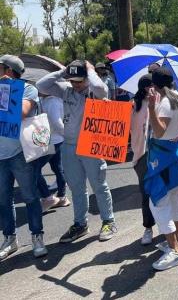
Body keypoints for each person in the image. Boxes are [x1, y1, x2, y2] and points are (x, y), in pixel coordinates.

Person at [37, 60, 117, 243]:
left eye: (79, 80)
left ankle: (108, 221)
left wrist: (89, 71)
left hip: (91, 144)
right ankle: (80, 224)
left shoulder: (95, 91)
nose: (76, 84)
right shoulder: (66, 90)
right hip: (69, 145)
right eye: (72, 80)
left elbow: (101, 89)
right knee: (76, 187)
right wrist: (63, 72)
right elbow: (41, 85)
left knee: (99, 184)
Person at [0, 55, 47, 260]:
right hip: (0, 156)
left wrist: (8, 91)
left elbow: (22, 112)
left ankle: (37, 237)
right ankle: (10, 239)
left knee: (30, 196)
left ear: (8, 71)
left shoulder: (28, 89)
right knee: (4, 200)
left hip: (20, 153)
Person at [145, 68, 178, 271]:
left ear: (154, 86)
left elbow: (159, 130)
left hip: (163, 157)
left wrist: (151, 109)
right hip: (174, 153)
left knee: (158, 203)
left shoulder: (164, 103)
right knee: (174, 199)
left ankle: (175, 251)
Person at [130, 74, 155, 246]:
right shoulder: (133, 105)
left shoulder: (162, 102)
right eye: (150, 86)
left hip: (159, 154)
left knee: (164, 191)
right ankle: (148, 227)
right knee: (146, 193)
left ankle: (170, 226)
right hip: (141, 155)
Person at [35, 92, 70, 212]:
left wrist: (66, 136)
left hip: (52, 141)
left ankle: (48, 197)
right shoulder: (47, 99)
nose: (36, 89)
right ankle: (62, 197)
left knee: (34, 169)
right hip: (52, 139)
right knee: (57, 168)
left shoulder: (52, 101)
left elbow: (57, 122)